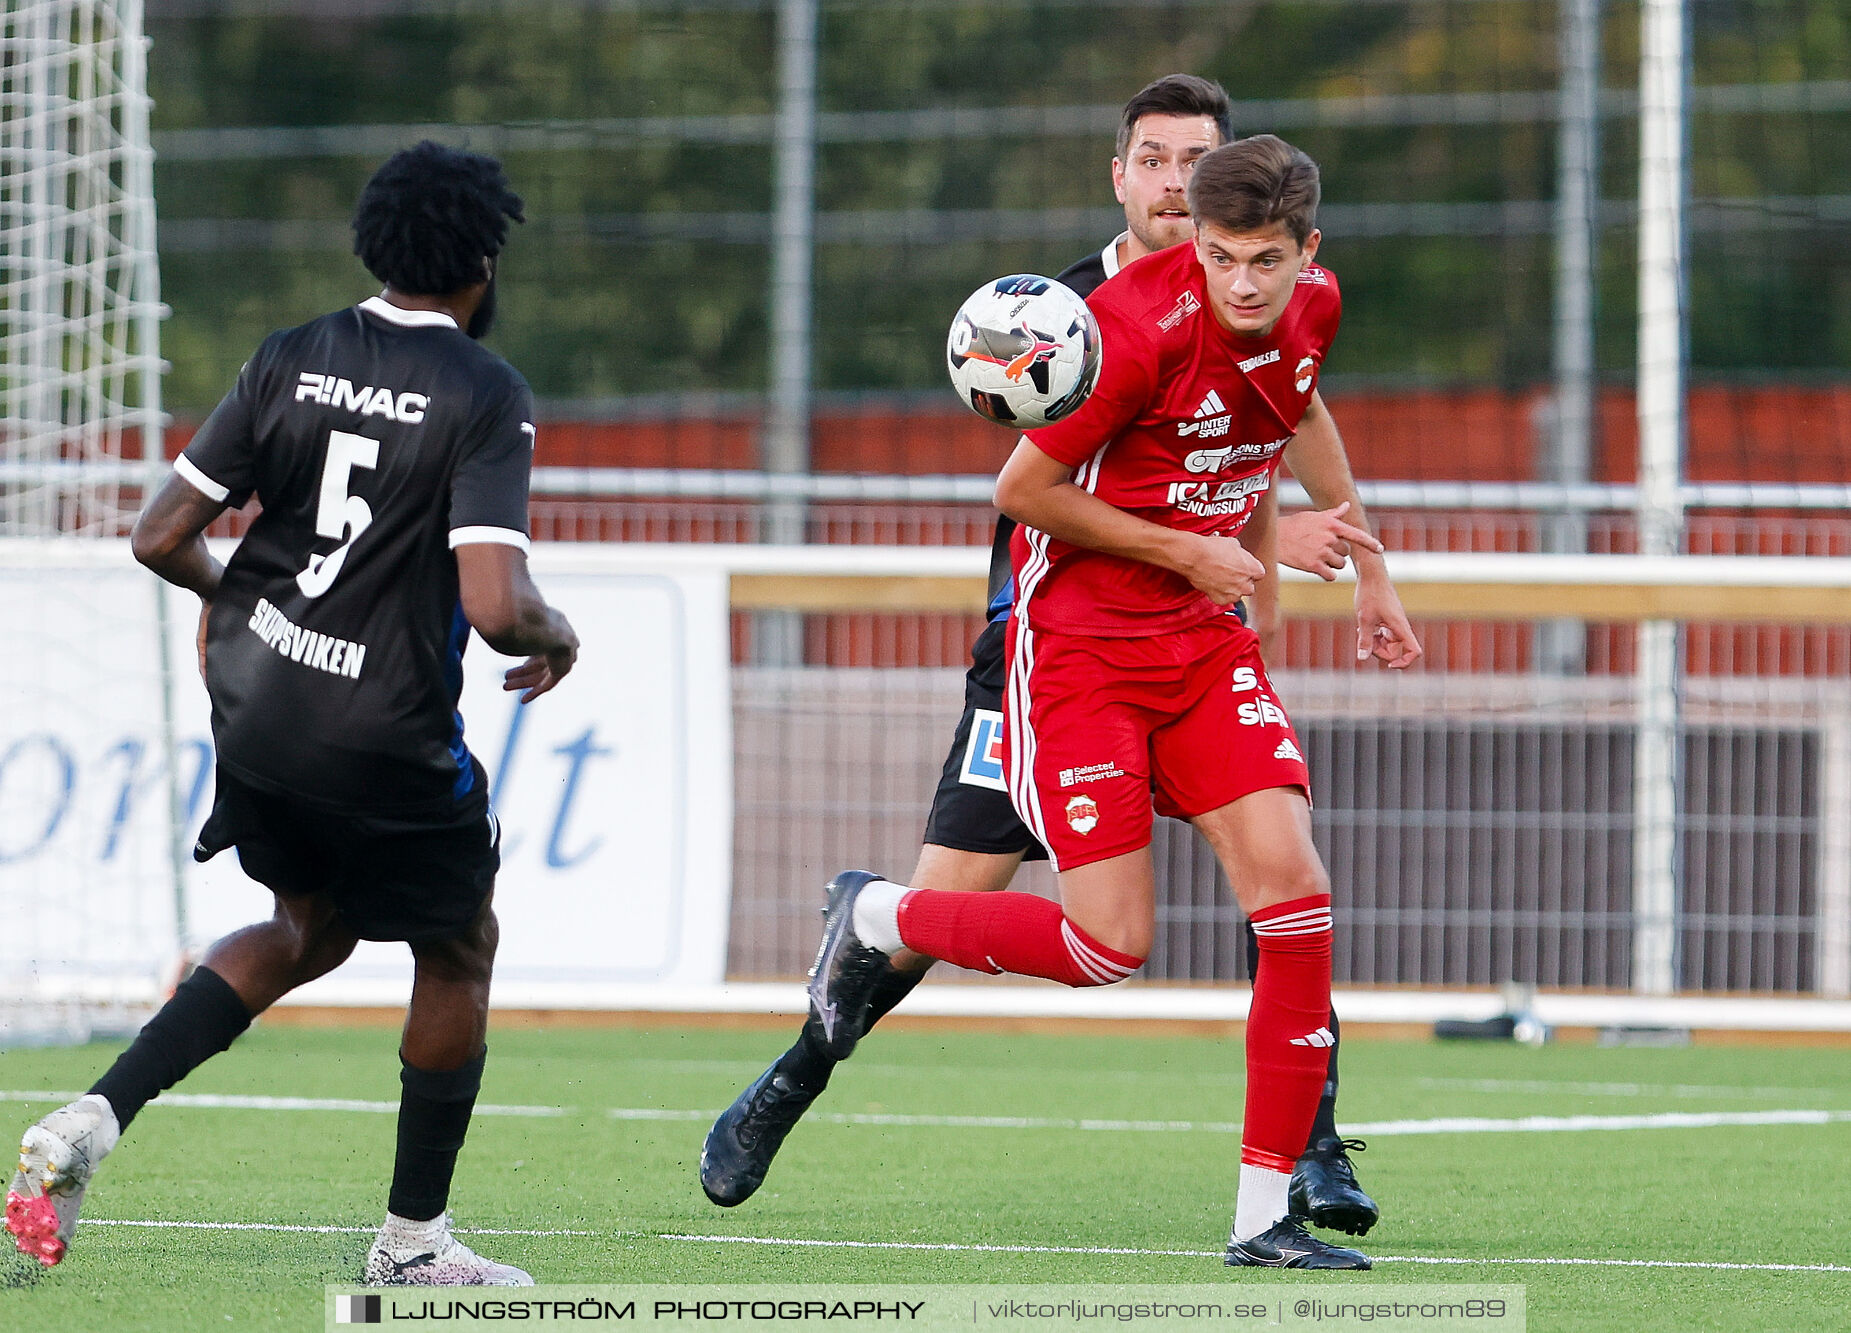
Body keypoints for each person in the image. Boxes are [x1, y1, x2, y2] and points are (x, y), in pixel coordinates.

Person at [702, 78, 1418, 1245]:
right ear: (1125, 176)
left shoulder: (1307, 304)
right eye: (1159, 162)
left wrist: (1344, 569)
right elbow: (1024, 491)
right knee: (1089, 940)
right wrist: (1202, 547)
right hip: (1060, 659)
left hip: (1199, 645)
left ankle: (1273, 1202)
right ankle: (853, 961)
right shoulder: (1099, 323)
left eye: (1262, 253)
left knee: (1292, 889)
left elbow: (1283, 414)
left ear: (1300, 247)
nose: (1233, 263)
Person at [4, 142, 578, 1287]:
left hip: (257, 702)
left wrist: (252, 608)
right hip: (380, 725)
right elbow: (497, 605)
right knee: (459, 945)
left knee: (307, 924)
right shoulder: (484, 391)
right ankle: (413, 1247)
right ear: (479, 260)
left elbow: (159, 532)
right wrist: (557, 635)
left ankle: (89, 1120)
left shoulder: (293, 354)